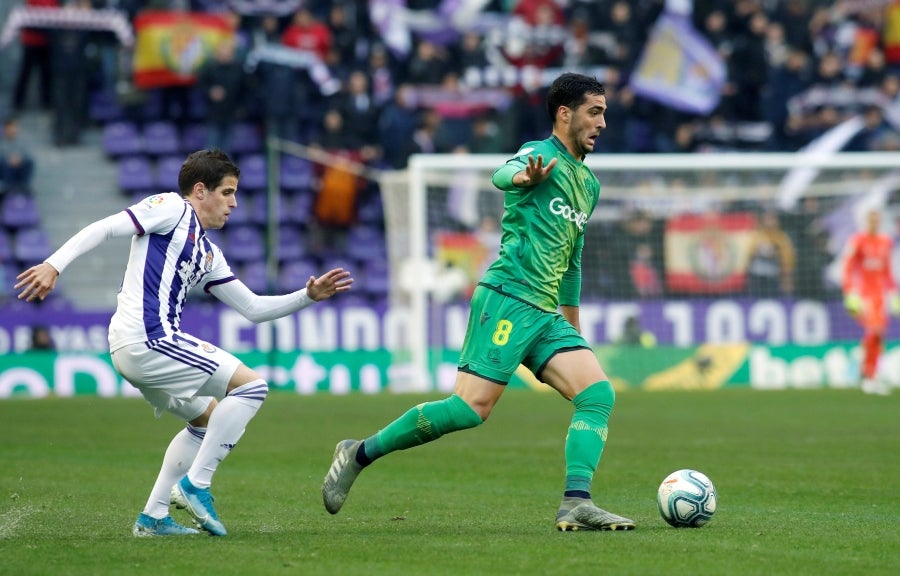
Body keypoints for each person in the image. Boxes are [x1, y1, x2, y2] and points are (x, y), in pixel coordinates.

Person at [322, 73, 635, 532]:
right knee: (470, 410)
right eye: (595, 111)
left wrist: (574, 331)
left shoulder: (588, 184)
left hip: (547, 313)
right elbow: (501, 173)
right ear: (564, 114)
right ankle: (358, 452)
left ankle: (576, 502)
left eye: (604, 112)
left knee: (597, 393)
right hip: (508, 297)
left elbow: (572, 262)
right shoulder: (538, 155)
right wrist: (522, 175)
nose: (602, 122)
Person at [15, 149, 353, 536]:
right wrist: (54, 263)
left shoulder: (208, 253)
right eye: (227, 192)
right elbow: (105, 228)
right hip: (148, 338)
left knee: (206, 420)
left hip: (137, 345)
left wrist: (306, 296)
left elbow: (254, 308)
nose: (234, 203)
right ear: (199, 190)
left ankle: (154, 517)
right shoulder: (172, 208)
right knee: (253, 387)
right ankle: (196, 485)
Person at [842, 210, 898, 396]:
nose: (874, 222)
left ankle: (871, 375)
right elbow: (848, 267)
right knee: (873, 331)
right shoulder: (857, 241)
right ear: (866, 221)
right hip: (863, 294)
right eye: (871, 219)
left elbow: (887, 272)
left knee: (879, 335)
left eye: (877, 219)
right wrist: (850, 292)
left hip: (880, 296)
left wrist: (895, 292)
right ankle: (867, 375)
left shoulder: (885, 242)